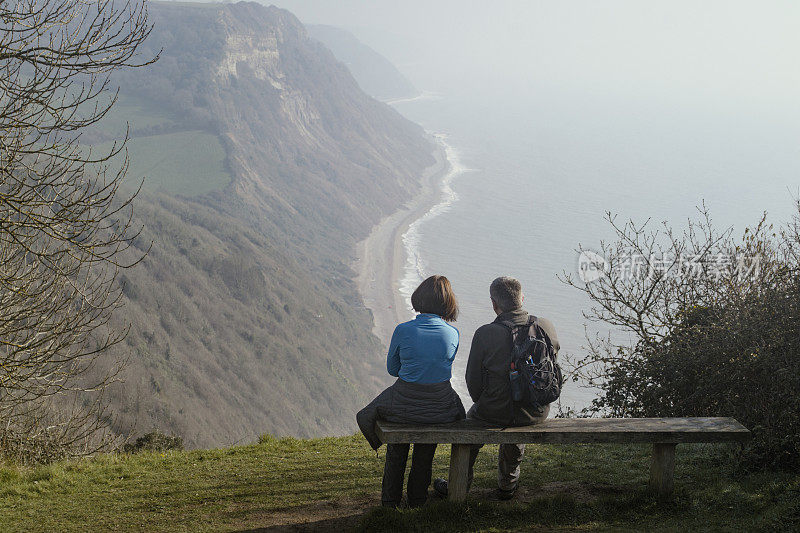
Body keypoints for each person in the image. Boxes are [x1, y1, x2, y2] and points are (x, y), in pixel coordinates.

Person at [434, 276, 560, 500]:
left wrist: (485, 400)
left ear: (494, 304)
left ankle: (459, 485)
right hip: (535, 412)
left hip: (493, 411)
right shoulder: (545, 327)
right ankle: (508, 483)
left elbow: (473, 381)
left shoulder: (485, 333)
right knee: (517, 413)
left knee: (473, 424)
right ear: (522, 297)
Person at [356, 275, 465, 508]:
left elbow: (393, 370)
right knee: (425, 453)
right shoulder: (453, 334)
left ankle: (390, 503)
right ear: (448, 303)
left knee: (396, 449)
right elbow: (442, 368)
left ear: (419, 299)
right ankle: (417, 501)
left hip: (404, 403)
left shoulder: (403, 330)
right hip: (439, 406)